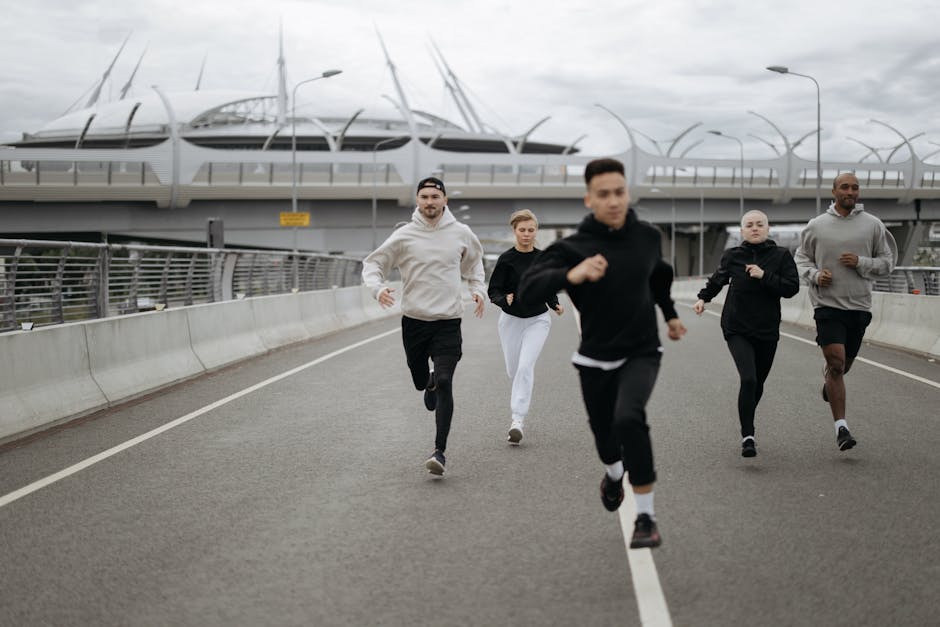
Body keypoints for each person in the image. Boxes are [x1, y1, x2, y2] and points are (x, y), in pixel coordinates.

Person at [518, 158, 686, 549]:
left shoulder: (647, 237)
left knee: (630, 417)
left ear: (628, 193)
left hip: (642, 350)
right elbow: (529, 288)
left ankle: (645, 516)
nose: (614, 201)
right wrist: (570, 276)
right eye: (604, 194)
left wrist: (671, 316)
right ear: (589, 199)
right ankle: (613, 477)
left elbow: (659, 277)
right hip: (594, 356)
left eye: (620, 192)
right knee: (605, 438)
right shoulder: (572, 247)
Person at [362, 175, 486, 477]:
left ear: (445, 200)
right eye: (424, 197)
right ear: (418, 201)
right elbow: (373, 263)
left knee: (445, 381)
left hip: (447, 322)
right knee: (422, 381)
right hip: (415, 322)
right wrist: (377, 289)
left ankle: (439, 451)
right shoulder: (404, 236)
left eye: (435, 196)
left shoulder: (461, 232)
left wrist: (478, 290)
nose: (430, 202)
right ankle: (426, 381)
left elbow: (476, 264)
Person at [794, 172, 895, 451]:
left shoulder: (873, 225)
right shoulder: (817, 226)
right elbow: (801, 258)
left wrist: (861, 262)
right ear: (834, 191)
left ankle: (831, 382)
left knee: (843, 366)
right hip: (827, 306)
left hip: (859, 306)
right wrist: (815, 275)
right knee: (836, 362)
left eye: (855, 187)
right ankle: (842, 429)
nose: (851, 192)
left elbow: (888, 262)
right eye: (845, 187)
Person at [693, 210, 800, 457]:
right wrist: (702, 298)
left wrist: (765, 276)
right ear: (742, 231)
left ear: (767, 228)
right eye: (749, 225)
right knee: (749, 379)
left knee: (758, 384)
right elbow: (718, 280)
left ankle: (747, 415)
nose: (754, 228)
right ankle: (748, 435)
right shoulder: (733, 255)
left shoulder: (781, 256)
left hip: (767, 328)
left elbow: (791, 288)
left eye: (759, 224)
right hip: (736, 326)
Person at [487, 209, 564, 445]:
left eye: (531, 230)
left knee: (524, 367)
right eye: (522, 230)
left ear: (536, 232)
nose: (527, 234)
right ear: (514, 231)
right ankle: (520, 395)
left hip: (537, 320)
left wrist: (554, 304)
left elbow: (548, 285)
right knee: (514, 370)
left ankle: (517, 420)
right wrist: (503, 299)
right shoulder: (506, 260)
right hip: (510, 321)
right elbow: (493, 290)